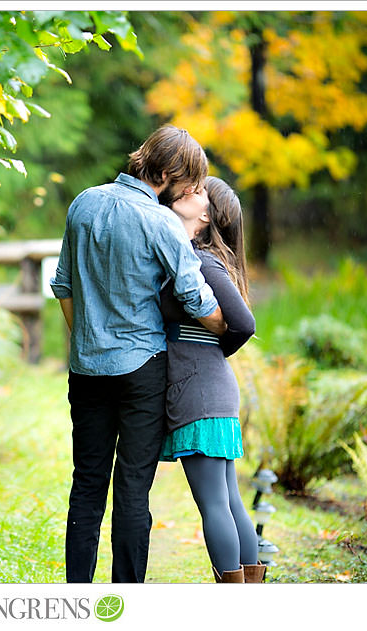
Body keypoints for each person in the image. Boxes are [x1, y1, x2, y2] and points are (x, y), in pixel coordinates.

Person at [49, 125, 227, 583]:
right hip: (143, 369)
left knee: (87, 485)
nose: (190, 191)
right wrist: (227, 327)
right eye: (188, 181)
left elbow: (63, 286)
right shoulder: (162, 221)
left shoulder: (82, 203)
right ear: (166, 172)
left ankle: (78, 597)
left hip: (86, 369)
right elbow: (195, 296)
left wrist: (86, 338)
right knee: (132, 490)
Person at [158, 176, 265, 583]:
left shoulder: (200, 261)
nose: (190, 191)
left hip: (198, 390)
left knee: (215, 504)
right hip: (211, 387)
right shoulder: (212, 260)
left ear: (207, 215)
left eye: (199, 191)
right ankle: (250, 590)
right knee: (230, 500)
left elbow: (243, 324)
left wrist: (214, 350)